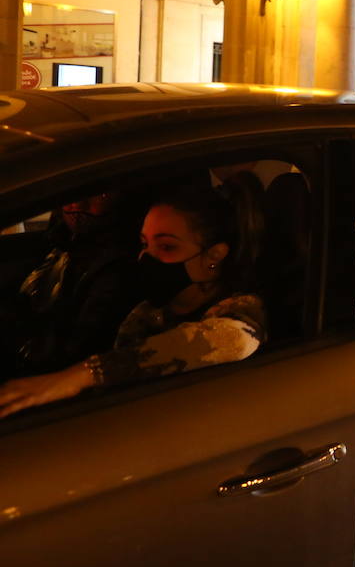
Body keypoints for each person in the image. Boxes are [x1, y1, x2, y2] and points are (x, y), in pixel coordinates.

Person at [0, 176, 266, 419]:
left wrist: (80, 376)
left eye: (167, 246)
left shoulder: (240, 309)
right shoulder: (147, 312)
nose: (147, 258)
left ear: (214, 255)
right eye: (144, 244)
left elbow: (235, 339)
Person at [2, 190, 142, 378]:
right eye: (71, 193)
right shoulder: (64, 242)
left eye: (99, 194)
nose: (76, 204)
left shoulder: (117, 268)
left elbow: (72, 351)